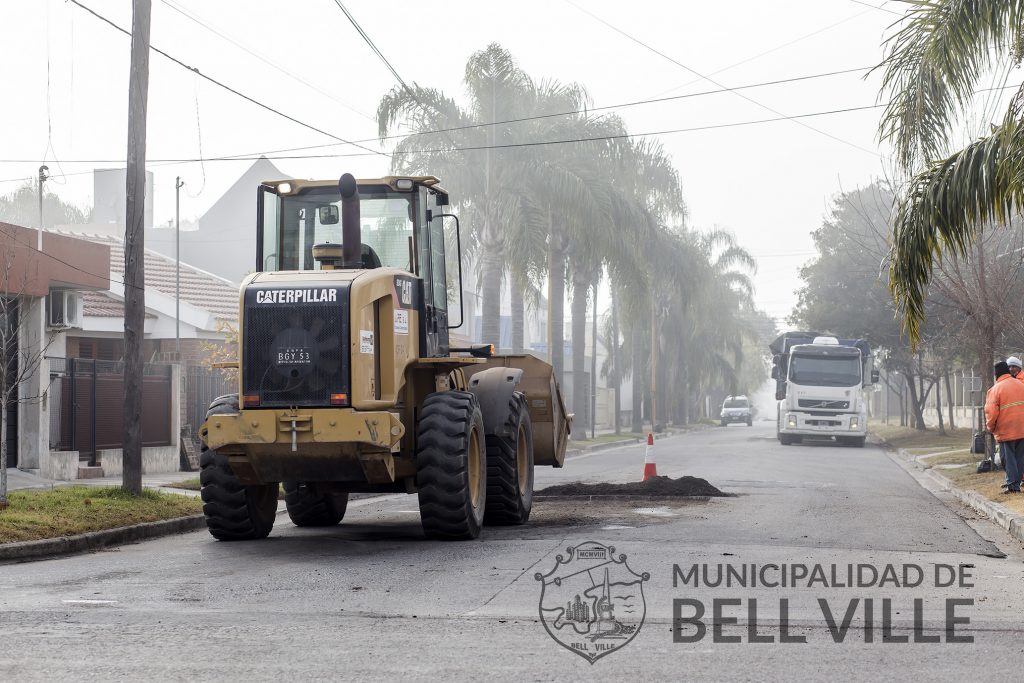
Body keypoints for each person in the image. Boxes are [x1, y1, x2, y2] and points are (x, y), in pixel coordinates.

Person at [985, 360, 1024, 493]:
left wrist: (990, 428)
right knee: (1019, 457)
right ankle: (1016, 484)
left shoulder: (995, 389)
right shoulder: (1020, 384)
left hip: (1006, 429)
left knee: (1007, 458)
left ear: (997, 374)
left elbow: (991, 413)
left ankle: (1013, 486)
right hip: (1022, 428)